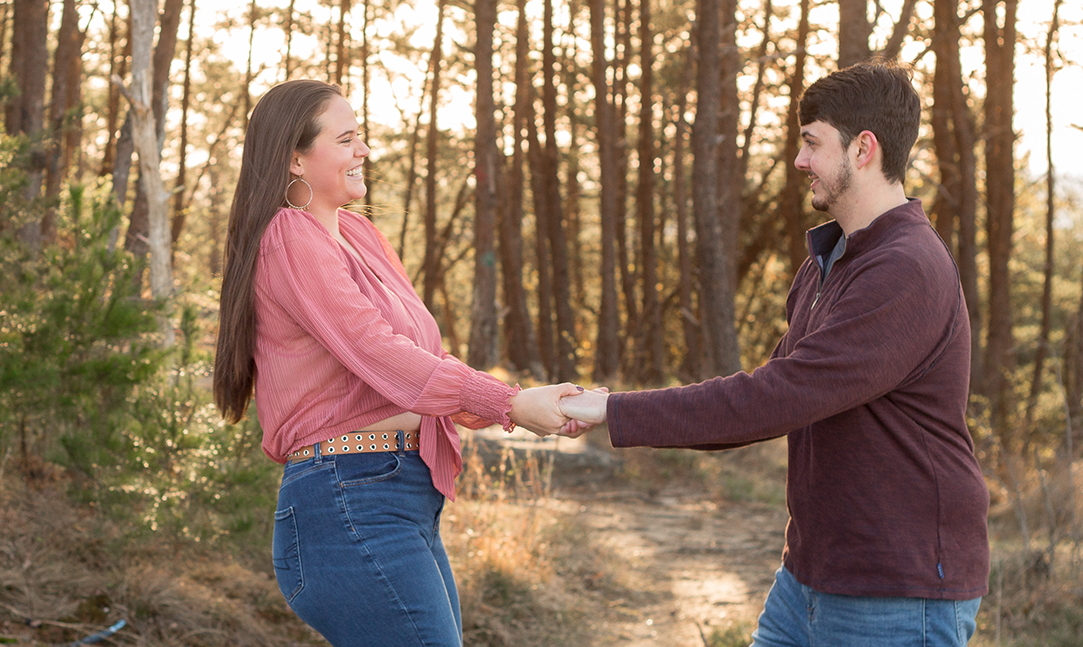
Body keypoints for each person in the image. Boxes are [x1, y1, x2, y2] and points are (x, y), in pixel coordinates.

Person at [562, 60, 990, 646]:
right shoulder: (830, 262)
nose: (799, 161)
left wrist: (612, 410)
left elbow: (777, 397)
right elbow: (768, 398)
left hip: (896, 589)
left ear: (863, 149)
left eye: (812, 143)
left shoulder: (905, 268)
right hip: (809, 578)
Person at [212, 79, 584, 647]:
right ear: (295, 157)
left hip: (396, 495)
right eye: (347, 139)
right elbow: (377, 352)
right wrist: (507, 403)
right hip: (347, 499)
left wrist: (526, 397)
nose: (364, 151)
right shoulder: (289, 237)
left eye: (361, 137)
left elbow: (416, 356)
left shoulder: (359, 236)